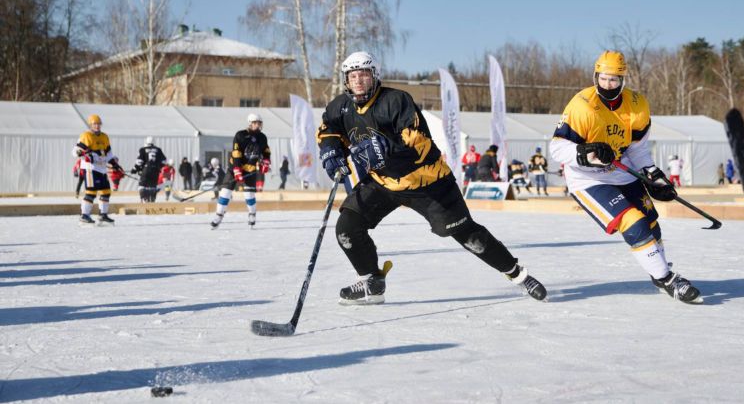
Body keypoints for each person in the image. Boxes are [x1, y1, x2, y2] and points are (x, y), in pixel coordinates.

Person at [317, 51, 546, 305]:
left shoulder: (396, 101)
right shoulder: (341, 106)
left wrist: (386, 147)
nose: (358, 80)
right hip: (383, 182)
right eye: (352, 76)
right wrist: (330, 150)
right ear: (346, 80)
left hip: (426, 181)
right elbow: (329, 129)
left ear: (375, 76)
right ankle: (372, 281)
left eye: (364, 75)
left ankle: (517, 274)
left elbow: (420, 143)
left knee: (468, 235)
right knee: (347, 227)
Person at [550, 50, 701, 304]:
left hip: (622, 170)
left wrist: (653, 174)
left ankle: (657, 270)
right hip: (589, 178)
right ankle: (667, 279)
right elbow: (556, 148)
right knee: (633, 223)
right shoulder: (582, 105)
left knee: (651, 222)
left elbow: (637, 149)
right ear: (595, 76)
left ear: (623, 80)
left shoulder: (637, 104)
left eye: (614, 80)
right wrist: (585, 151)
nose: (608, 85)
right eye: (604, 79)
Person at [210, 113, 271, 229]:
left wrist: (266, 162)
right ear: (250, 123)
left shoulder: (262, 137)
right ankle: (219, 215)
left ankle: (252, 214)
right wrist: (237, 170)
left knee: (249, 194)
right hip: (235, 168)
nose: (258, 125)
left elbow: (266, 151)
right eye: (255, 123)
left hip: (250, 169)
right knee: (225, 192)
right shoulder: (240, 135)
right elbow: (236, 153)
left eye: (259, 123)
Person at [72, 114, 123, 224]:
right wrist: (80, 152)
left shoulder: (104, 136)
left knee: (106, 192)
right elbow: (75, 151)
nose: (97, 126)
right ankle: (84, 215)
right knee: (91, 192)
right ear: (90, 124)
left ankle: (103, 215)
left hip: (102, 168)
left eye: (99, 124)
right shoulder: (86, 136)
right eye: (94, 124)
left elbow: (108, 153)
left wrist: (114, 163)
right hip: (90, 168)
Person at [131, 136, 166, 203]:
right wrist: (159, 167)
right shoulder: (158, 150)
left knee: (142, 185)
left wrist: (135, 169)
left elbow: (139, 161)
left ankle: (144, 199)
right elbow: (164, 161)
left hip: (146, 170)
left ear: (146, 142)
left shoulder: (143, 149)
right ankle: (152, 200)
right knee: (153, 186)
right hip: (155, 171)